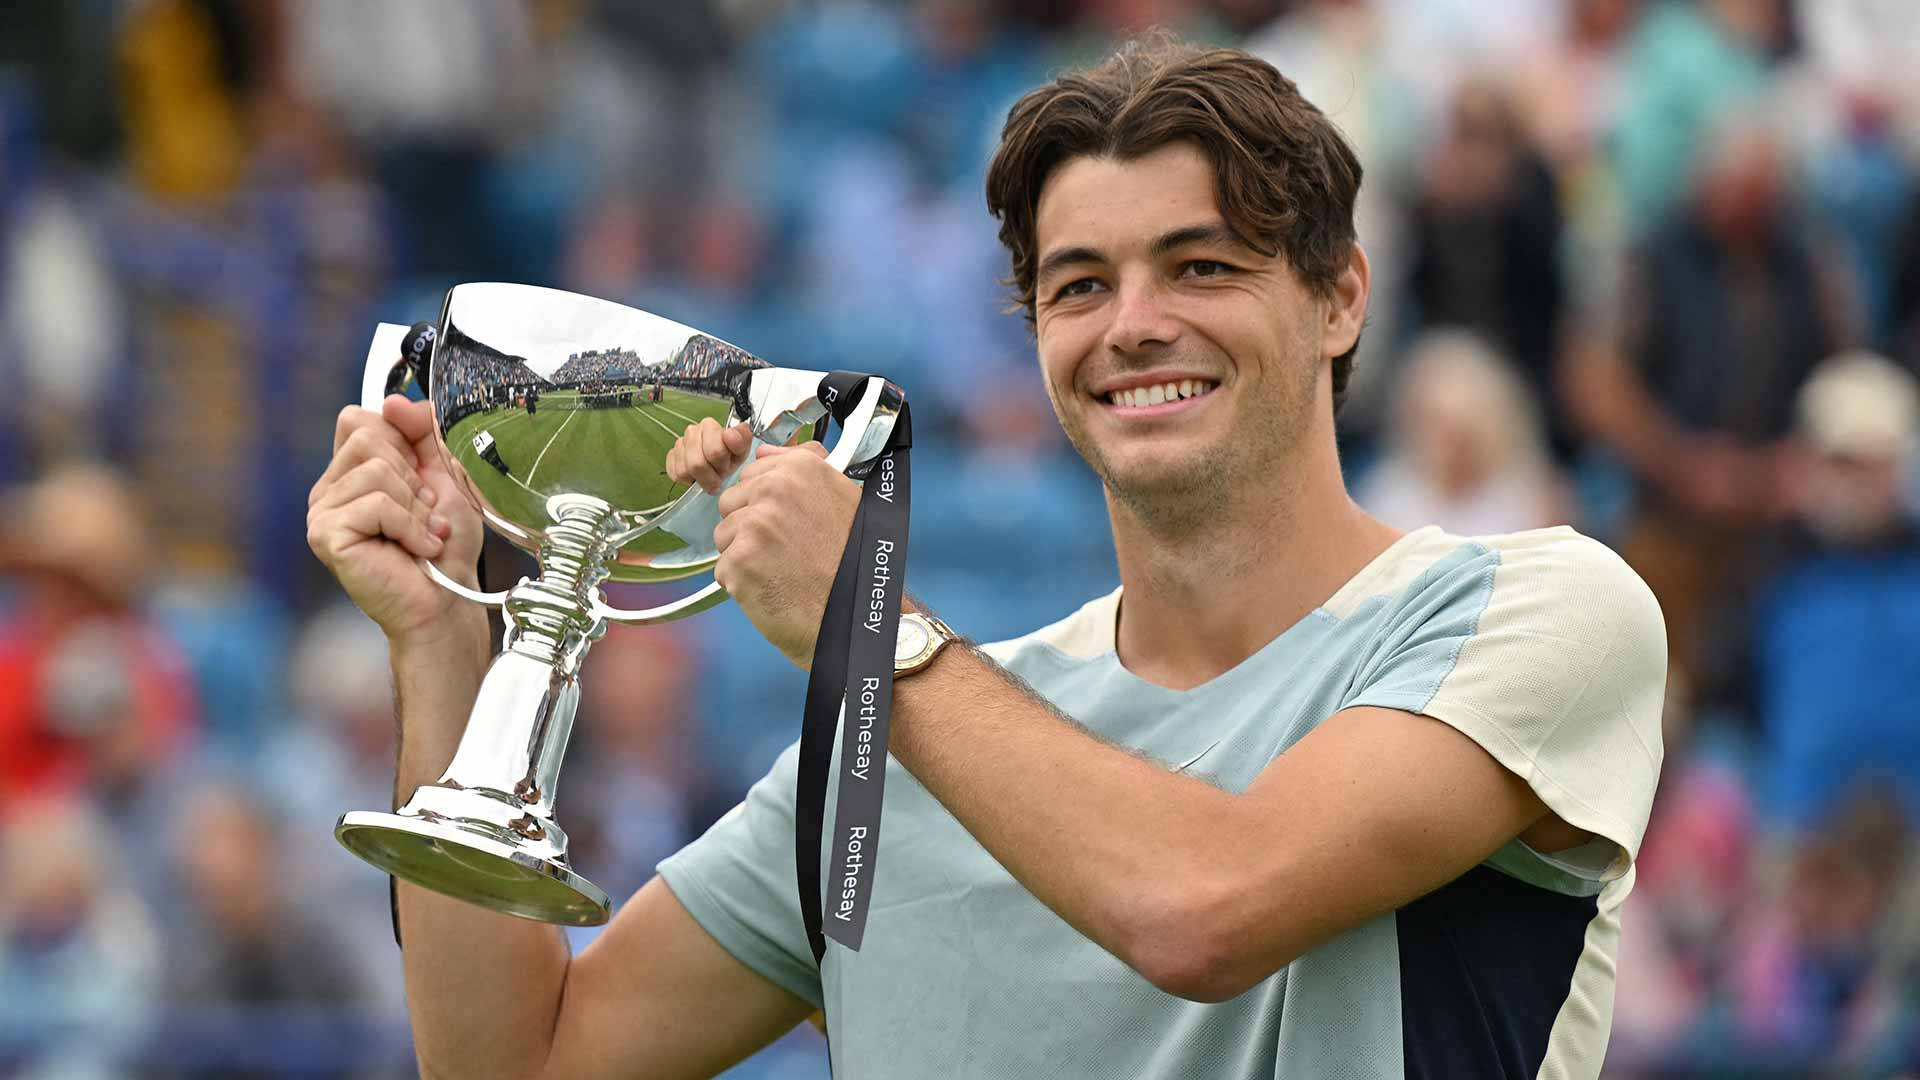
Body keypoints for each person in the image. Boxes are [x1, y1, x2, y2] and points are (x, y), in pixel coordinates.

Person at [307, 38, 1666, 1079]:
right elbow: (520, 1061)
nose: (1134, 324)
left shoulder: (1538, 611)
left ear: (1340, 297)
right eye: (1079, 286)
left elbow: (1204, 910)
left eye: (1200, 267)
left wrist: (869, 628)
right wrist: (444, 646)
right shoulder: (884, 737)